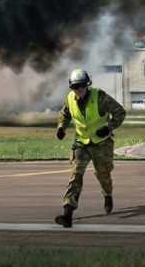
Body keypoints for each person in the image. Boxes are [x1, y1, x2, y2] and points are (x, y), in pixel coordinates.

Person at [53, 68, 126, 228]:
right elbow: (65, 114)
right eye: (75, 87)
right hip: (81, 143)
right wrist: (61, 128)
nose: (79, 90)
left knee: (103, 175)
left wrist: (108, 128)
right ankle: (68, 212)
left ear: (88, 84)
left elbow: (120, 112)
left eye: (82, 86)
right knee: (76, 174)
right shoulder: (70, 99)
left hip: (102, 143)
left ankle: (108, 194)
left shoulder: (100, 97)